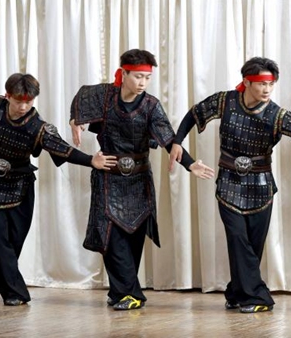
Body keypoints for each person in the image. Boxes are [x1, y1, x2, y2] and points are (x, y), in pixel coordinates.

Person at [171, 57, 291, 313]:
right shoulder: (224, 101)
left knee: (253, 244)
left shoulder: (276, 114)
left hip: (262, 186)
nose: (266, 89)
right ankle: (256, 298)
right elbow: (193, 114)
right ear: (246, 82)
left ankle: (236, 292)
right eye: (262, 84)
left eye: (271, 84)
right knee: (237, 239)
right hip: (229, 182)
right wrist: (177, 141)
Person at [69, 49, 215, 311]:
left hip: (139, 179)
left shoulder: (150, 105)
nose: (142, 83)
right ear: (123, 73)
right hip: (108, 176)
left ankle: (120, 292)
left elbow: (168, 139)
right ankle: (129, 294)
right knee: (111, 236)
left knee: (134, 236)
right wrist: (75, 121)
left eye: (147, 78)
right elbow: (81, 98)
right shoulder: (104, 97)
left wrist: (190, 163)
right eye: (137, 77)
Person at [0, 73, 117, 306]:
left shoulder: (39, 127)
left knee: (14, 242)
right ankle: (15, 293)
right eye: (19, 101)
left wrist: (91, 160)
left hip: (21, 188)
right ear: (8, 96)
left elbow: (63, 149)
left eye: (28, 102)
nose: (23, 106)